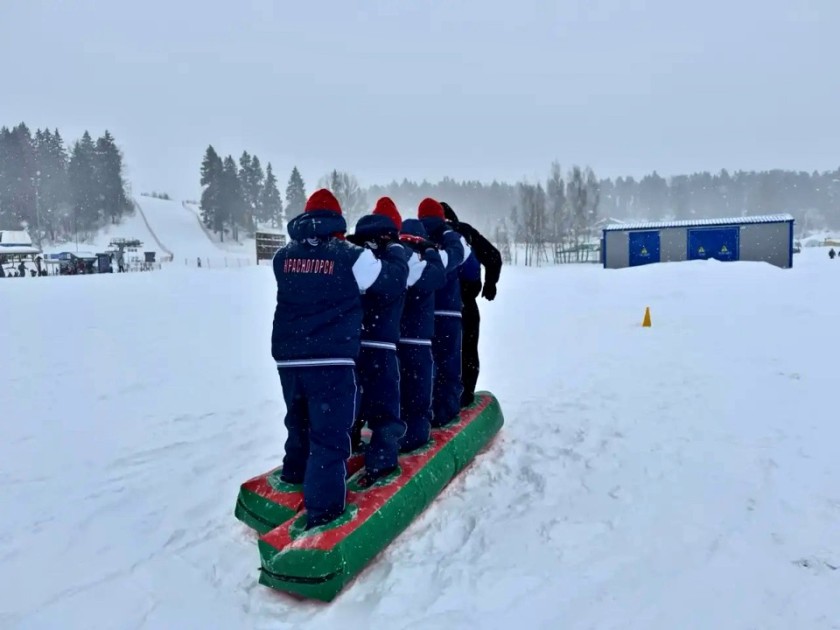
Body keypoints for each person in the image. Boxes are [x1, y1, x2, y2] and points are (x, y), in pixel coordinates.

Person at [271, 188, 390, 529]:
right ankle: (323, 512)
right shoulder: (350, 255)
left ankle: (294, 474)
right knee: (329, 435)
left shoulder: (282, 256)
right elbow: (381, 282)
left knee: (298, 420)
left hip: (289, 357)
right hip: (332, 358)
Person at [345, 197, 410, 484]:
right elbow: (397, 281)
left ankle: (345, 451)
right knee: (385, 408)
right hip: (381, 343)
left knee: (352, 403)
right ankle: (381, 462)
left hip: (351, 343)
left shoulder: (351, 253)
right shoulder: (395, 255)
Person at [440, 202, 502, 407]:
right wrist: (490, 284)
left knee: (437, 353)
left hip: (431, 305)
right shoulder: (465, 232)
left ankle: (436, 396)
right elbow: (493, 256)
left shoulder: (426, 234)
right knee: (467, 349)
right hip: (465, 303)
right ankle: (465, 393)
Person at [417, 198, 470, 426]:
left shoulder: (416, 238)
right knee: (448, 362)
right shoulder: (451, 238)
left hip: (421, 313)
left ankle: (422, 409)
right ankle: (445, 411)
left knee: (424, 365)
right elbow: (461, 257)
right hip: (448, 310)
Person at [396, 218, 446, 451]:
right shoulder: (420, 264)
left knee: (397, 390)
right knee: (418, 392)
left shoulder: (393, 260)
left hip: (394, 339)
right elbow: (438, 276)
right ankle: (415, 436)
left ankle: (394, 433)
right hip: (417, 338)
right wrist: (431, 251)